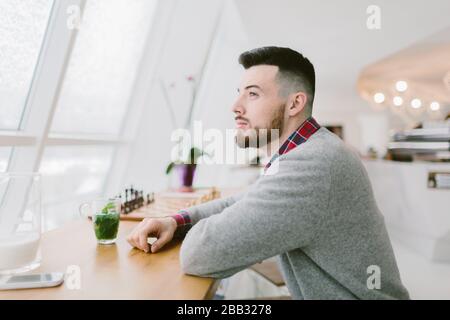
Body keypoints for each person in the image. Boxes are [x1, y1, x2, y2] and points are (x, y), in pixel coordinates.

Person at [127, 46, 410, 300]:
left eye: (252, 94)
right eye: (239, 93)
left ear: (295, 104)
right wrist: (176, 220)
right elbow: (246, 200)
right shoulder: (306, 151)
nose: (236, 107)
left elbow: (200, 255)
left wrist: (194, 229)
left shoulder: (313, 164)